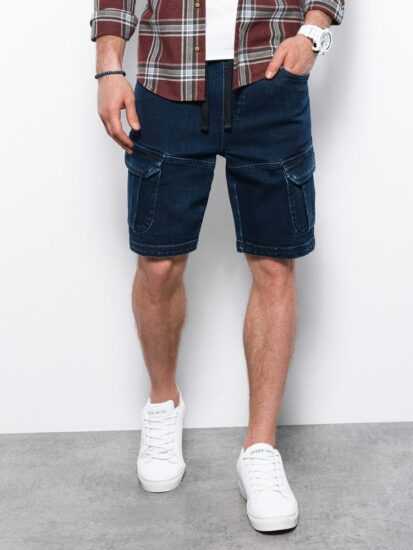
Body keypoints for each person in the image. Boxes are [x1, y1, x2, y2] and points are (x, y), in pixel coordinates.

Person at [91, 0, 344, 533]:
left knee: (275, 264)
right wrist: (109, 66)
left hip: (269, 75)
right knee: (158, 262)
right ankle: (163, 404)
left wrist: (313, 33)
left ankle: (260, 448)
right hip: (169, 76)